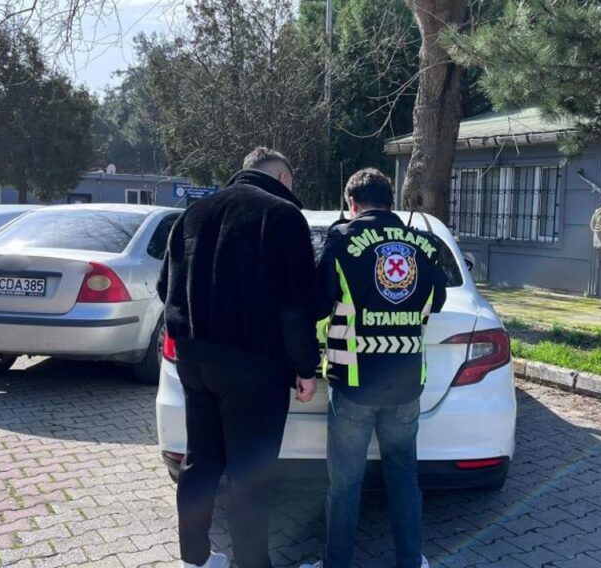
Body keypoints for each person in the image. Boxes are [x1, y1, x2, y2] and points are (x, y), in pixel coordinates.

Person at [157, 147, 319, 568]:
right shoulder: (283, 216)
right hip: (254, 364)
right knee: (249, 473)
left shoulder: (192, 214)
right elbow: (296, 306)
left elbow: (163, 286)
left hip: (193, 358)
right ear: (283, 179)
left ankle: (194, 559)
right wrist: (305, 368)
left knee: (200, 463)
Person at [303, 168, 447, 568]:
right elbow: (436, 302)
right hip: (406, 383)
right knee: (404, 480)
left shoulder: (342, 239)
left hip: (355, 382)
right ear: (389, 202)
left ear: (352, 204)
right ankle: (410, 561)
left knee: (345, 485)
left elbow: (318, 303)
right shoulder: (425, 243)